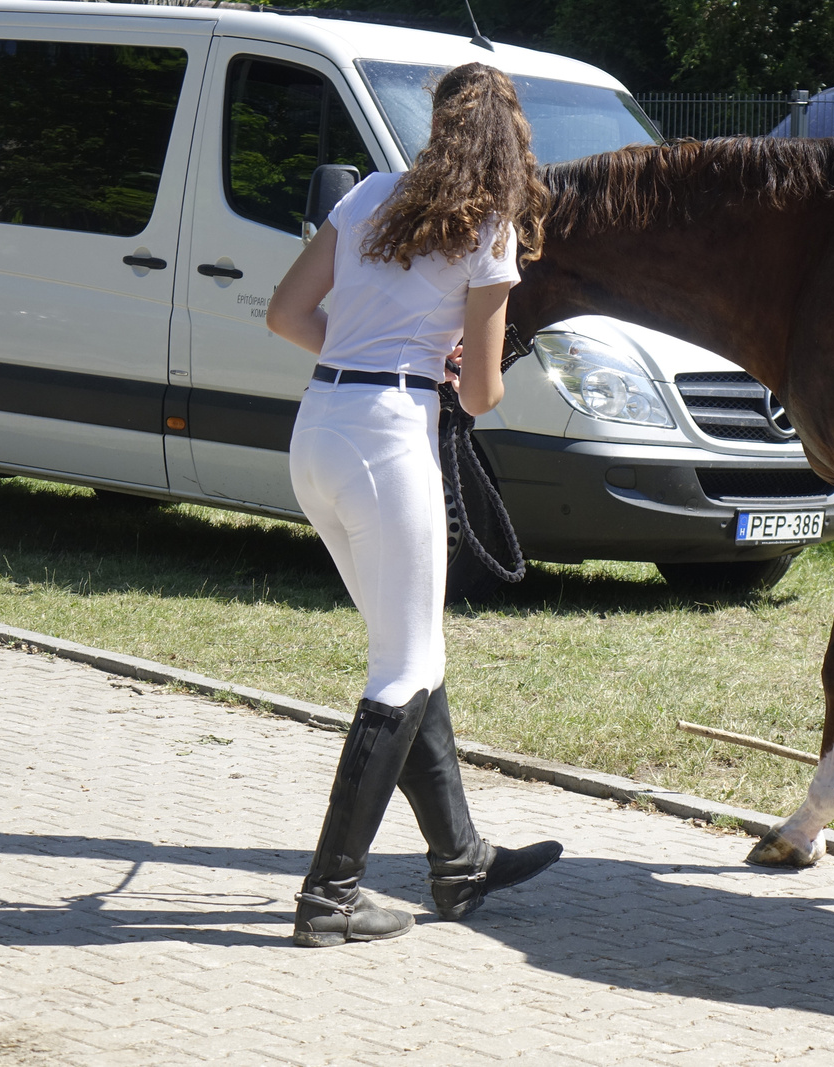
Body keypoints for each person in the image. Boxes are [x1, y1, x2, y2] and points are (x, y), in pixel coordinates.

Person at [266, 62, 560, 948]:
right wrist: (439, 372)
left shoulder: (367, 200)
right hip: (389, 440)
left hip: (319, 428)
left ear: (436, 126)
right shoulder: (492, 229)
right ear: (509, 141)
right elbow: (478, 396)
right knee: (401, 665)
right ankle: (331, 894)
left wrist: (362, 356)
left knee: (414, 645)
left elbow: (285, 312)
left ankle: (459, 859)